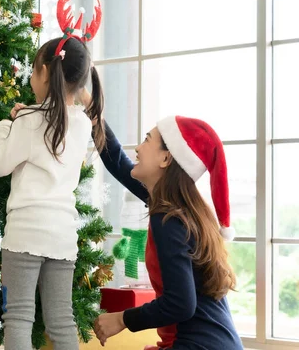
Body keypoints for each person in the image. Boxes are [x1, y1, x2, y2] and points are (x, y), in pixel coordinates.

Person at [0, 36, 106, 350]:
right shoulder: (81, 124)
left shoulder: (27, 121)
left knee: (18, 318)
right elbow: (56, 120)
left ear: (43, 72)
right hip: (62, 238)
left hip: (25, 236)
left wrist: (4, 126)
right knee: (61, 320)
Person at [91, 114, 243, 350]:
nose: (139, 148)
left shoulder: (168, 218)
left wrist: (122, 319)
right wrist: (93, 110)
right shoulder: (178, 208)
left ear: (166, 157)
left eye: (147, 140)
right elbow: (119, 163)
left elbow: (181, 303)